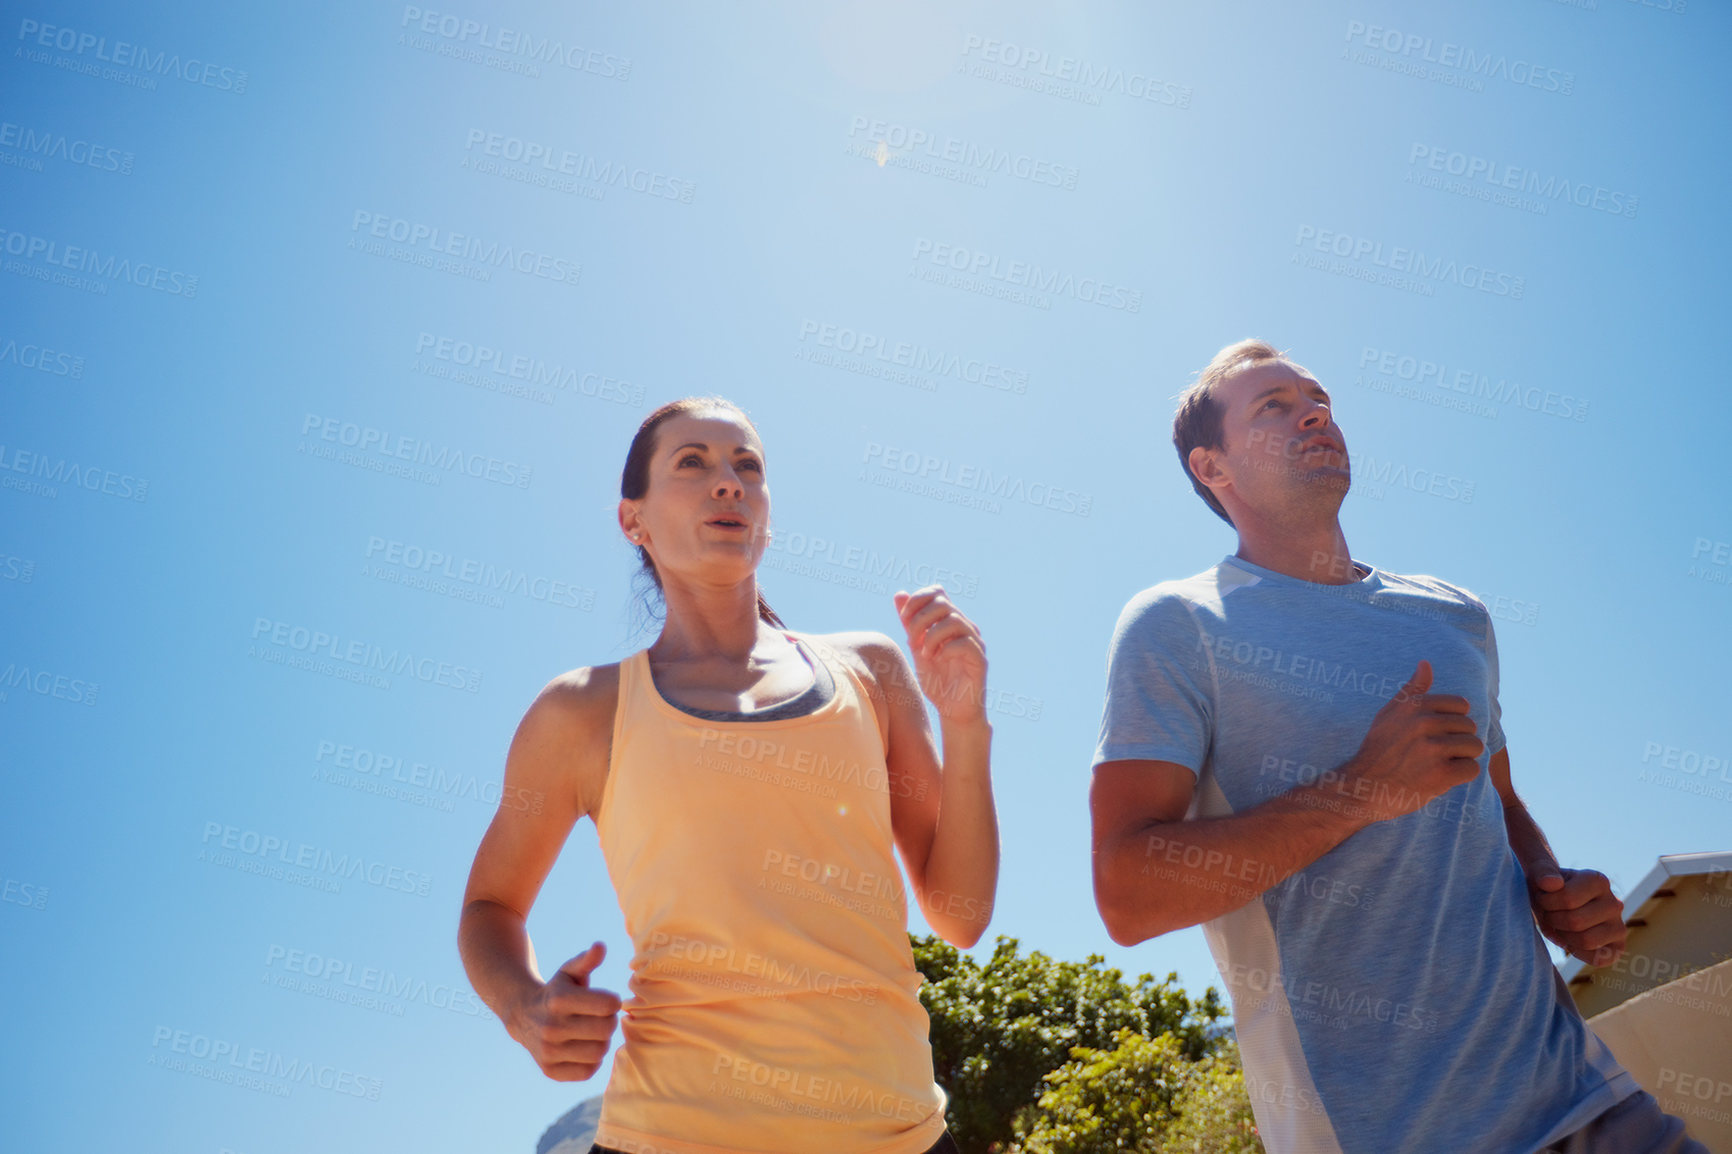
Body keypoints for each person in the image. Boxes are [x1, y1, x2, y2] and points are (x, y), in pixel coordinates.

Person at [1087, 340, 1707, 1153]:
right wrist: (1359, 792)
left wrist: (1557, 891)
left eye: (1318, 398)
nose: (1316, 412)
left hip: (1587, 1100)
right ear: (1213, 468)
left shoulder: (1453, 615)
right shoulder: (1178, 625)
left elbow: (1500, 802)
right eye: (1272, 406)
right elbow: (1127, 895)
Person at [457, 396, 997, 1154]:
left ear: (767, 514)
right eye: (693, 464)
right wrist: (523, 1007)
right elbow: (490, 905)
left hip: (895, 1133)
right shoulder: (581, 712)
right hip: (671, 1132)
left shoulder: (871, 671)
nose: (729, 483)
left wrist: (966, 724)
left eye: (748, 467)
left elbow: (961, 914)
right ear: (633, 521)